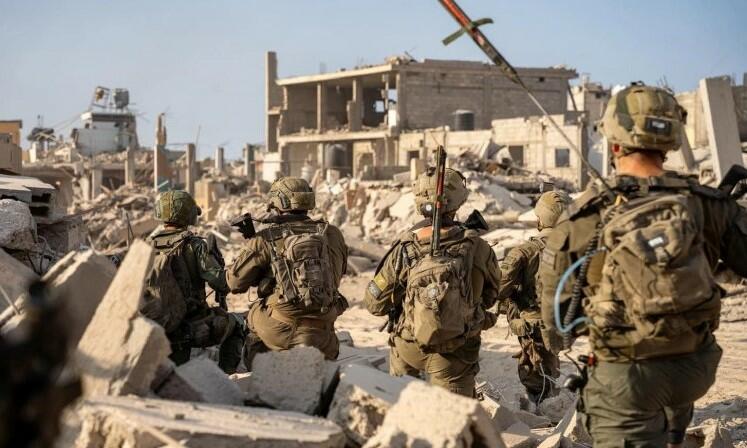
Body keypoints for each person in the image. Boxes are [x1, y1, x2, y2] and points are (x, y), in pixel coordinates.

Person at [539, 84, 747, 447]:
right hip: (694, 367)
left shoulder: (584, 216)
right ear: (670, 142)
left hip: (627, 377)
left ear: (614, 145)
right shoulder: (709, 204)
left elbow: (556, 319)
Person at [364, 167, 501, 397]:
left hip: (409, 346)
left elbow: (374, 304)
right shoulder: (479, 247)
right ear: (458, 201)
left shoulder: (404, 248)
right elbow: (491, 297)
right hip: (455, 352)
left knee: (402, 408)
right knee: (452, 416)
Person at [226, 177, 348, 366]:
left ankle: (260, 366)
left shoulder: (266, 237)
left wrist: (254, 249)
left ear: (278, 202)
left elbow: (234, 283)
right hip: (325, 339)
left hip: (284, 333)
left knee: (251, 315)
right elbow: (338, 274)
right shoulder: (332, 234)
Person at [141, 190, 243, 373]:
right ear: (188, 214)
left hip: (152, 324)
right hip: (188, 327)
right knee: (237, 324)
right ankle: (226, 378)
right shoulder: (194, 245)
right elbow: (221, 283)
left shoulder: (146, 245)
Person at [497, 190, 568, 408]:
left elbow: (498, 288)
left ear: (541, 218)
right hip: (562, 321)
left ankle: (544, 412)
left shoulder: (524, 252)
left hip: (533, 324)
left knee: (536, 375)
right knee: (549, 366)